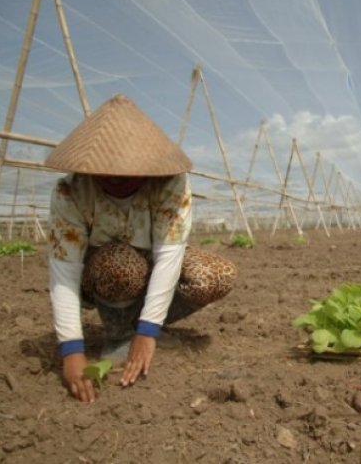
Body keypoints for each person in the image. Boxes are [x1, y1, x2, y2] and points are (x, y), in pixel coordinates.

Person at [45, 94, 237, 402]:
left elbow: (169, 255)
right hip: (101, 273)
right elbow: (64, 270)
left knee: (216, 275)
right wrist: (71, 350)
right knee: (121, 265)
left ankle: (141, 328)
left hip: (150, 267)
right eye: (106, 172)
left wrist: (148, 331)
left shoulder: (170, 183)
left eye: (127, 172)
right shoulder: (71, 190)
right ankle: (118, 335)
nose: (116, 179)